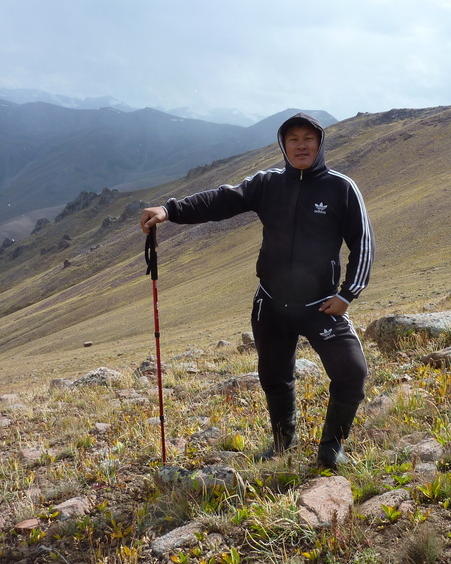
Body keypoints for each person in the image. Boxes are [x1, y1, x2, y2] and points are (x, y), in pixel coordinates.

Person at [140, 112, 374, 471]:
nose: (300, 145)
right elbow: (221, 200)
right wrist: (169, 210)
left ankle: (332, 448)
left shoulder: (341, 187)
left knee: (352, 373)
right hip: (271, 304)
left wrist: (347, 295)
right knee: (274, 376)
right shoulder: (267, 183)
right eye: (292, 139)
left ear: (320, 143)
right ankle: (283, 442)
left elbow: (363, 243)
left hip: (321, 305)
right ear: (283, 145)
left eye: (307, 139)